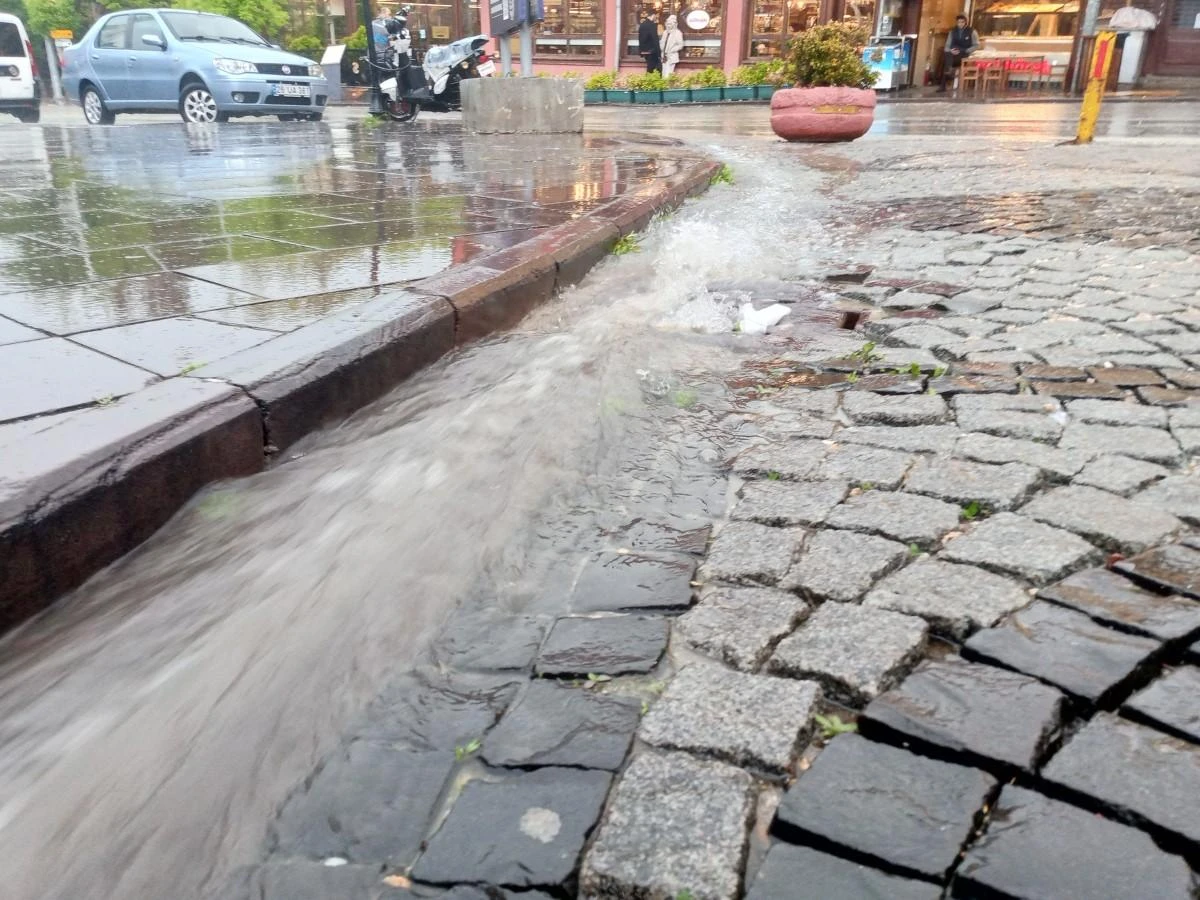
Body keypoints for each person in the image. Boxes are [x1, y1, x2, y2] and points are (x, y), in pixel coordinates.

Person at [939, 14, 979, 92]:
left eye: (962, 22)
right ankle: (948, 73)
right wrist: (951, 50)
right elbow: (947, 46)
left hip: (965, 53)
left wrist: (967, 50)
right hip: (953, 53)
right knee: (946, 58)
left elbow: (976, 45)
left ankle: (947, 77)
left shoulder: (972, 31)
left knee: (947, 62)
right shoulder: (952, 32)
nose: (960, 24)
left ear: (965, 22)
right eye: (958, 22)